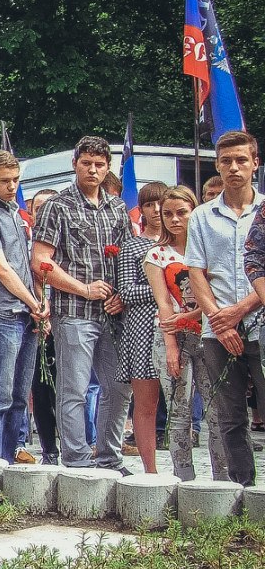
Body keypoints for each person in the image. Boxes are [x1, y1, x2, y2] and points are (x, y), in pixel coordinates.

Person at [30, 135, 133, 470]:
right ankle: (75, 459)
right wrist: (83, 288)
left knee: (118, 387)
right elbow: (41, 262)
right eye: (86, 163)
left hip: (113, 312)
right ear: (74, 163)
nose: (92, 169)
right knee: (73, 389)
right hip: (73, 311)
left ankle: (109, 456)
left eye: (99, 164)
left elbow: (129, 258)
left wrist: (122, 293)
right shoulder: (57, 206)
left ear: (108, 168)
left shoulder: (117, 206)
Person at [191, 131, 262, 484]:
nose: (234, 168)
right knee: (230, 417)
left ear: (255, 164)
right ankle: (242, 494)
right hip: (217, 330)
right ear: (218, 166)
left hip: (259, 322)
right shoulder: (202, 216)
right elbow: (196, 271)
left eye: (241, 160)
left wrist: (240, 311)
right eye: (226, 161)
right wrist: (221, 322)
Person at [0, 150, 46, 462]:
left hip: (26, 312)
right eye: (5, 181)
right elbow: (1, 269)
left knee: (18, 395)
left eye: (16, 180)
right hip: (3, 311)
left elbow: (27, 266)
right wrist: (34, 302)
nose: (12, 186)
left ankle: (10, 455)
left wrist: (38, 305)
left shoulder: (15, 213)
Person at [145, 186, 207, 481]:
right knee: (179, 410)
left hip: (209, 333)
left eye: (181, 212)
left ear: (194, 210)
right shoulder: (157, 254)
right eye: (167, 213)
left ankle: (224, 477)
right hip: (173, 336)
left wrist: (198, 315)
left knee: (217, 410)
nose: (174, 219)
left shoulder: (205, 247)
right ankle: (185, 477)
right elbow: (164, 304)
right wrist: (171, 346)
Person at [114, 182, 167, 473]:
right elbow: (126, 292)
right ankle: (150, 470)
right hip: (141, 327)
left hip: (176, 326)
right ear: (142, 209)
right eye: (149, 204)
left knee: (181, 406)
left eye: (161, 203)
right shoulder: (133, 246)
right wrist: (163, 289)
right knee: (145, 404)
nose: (156, 210)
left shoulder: (180, 243)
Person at [28, 189, 60, 463]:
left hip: (64, 318)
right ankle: (49, 449)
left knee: (65, 388)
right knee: (40, 388)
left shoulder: (66, 239)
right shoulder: (27, 241)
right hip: (37, 320)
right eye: (38, 208)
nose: (43, 212)